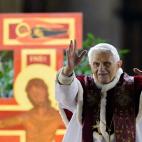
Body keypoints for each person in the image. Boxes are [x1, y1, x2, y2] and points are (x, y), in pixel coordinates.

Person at [56, 40, 142, 142]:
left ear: (119, 64)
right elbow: (65, 97)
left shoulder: (135, 86)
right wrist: (68, 70)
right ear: (90, 66)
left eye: (107, 64)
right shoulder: (82, 85)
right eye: (96, 64)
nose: (101, 69)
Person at [0, 78, 63, 142]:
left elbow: (72, 126)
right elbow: (3, 123)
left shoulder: (57, 117)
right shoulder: (26, 117)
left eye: (39, 93)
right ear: (29, 97)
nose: (37, 96)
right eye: (33, 94)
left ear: (46, 91)